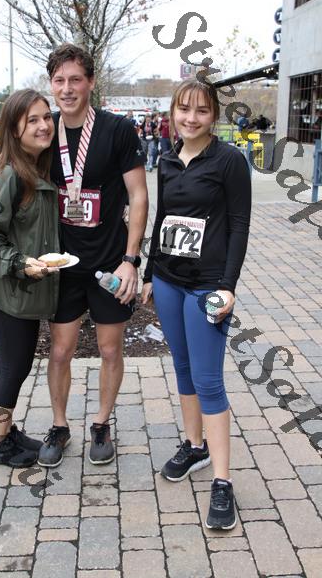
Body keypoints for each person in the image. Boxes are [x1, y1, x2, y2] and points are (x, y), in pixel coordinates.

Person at [0, 44, 148, 469]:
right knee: (61, 351)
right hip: (58, 266)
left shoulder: (118, 130)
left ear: (91, 82)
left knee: (110, 350)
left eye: (75, 80)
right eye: (59, 81)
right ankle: (60, 426)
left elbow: (139, 196)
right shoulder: (46, 131)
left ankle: (101, 424)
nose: (67, 89)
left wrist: (131, 260)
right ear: (51, 84)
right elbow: (7, 160)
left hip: (110, 263)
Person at [142, 78, 251, 530]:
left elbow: (240, 225)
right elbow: (162, 218)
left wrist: (228, 285)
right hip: (168, 281)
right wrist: (148, 274)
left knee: (208, 381)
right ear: (172, 112)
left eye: (201, 110)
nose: (191, 118)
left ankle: (223, 482)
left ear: (214, 116)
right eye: (183, 109)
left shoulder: (229, 160)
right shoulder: (167, 159)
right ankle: (195, 447)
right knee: (183, 367)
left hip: (207, 286)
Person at [0, 88, 60, 468]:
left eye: (46, 117)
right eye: (32, 120)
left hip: (18, 291)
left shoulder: (34, 165)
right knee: (15, 366)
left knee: (8, 363)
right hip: (9, 290)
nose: (44, 126)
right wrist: (22, 263)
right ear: (14, 128)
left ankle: (4, 431)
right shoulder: (9, 174)